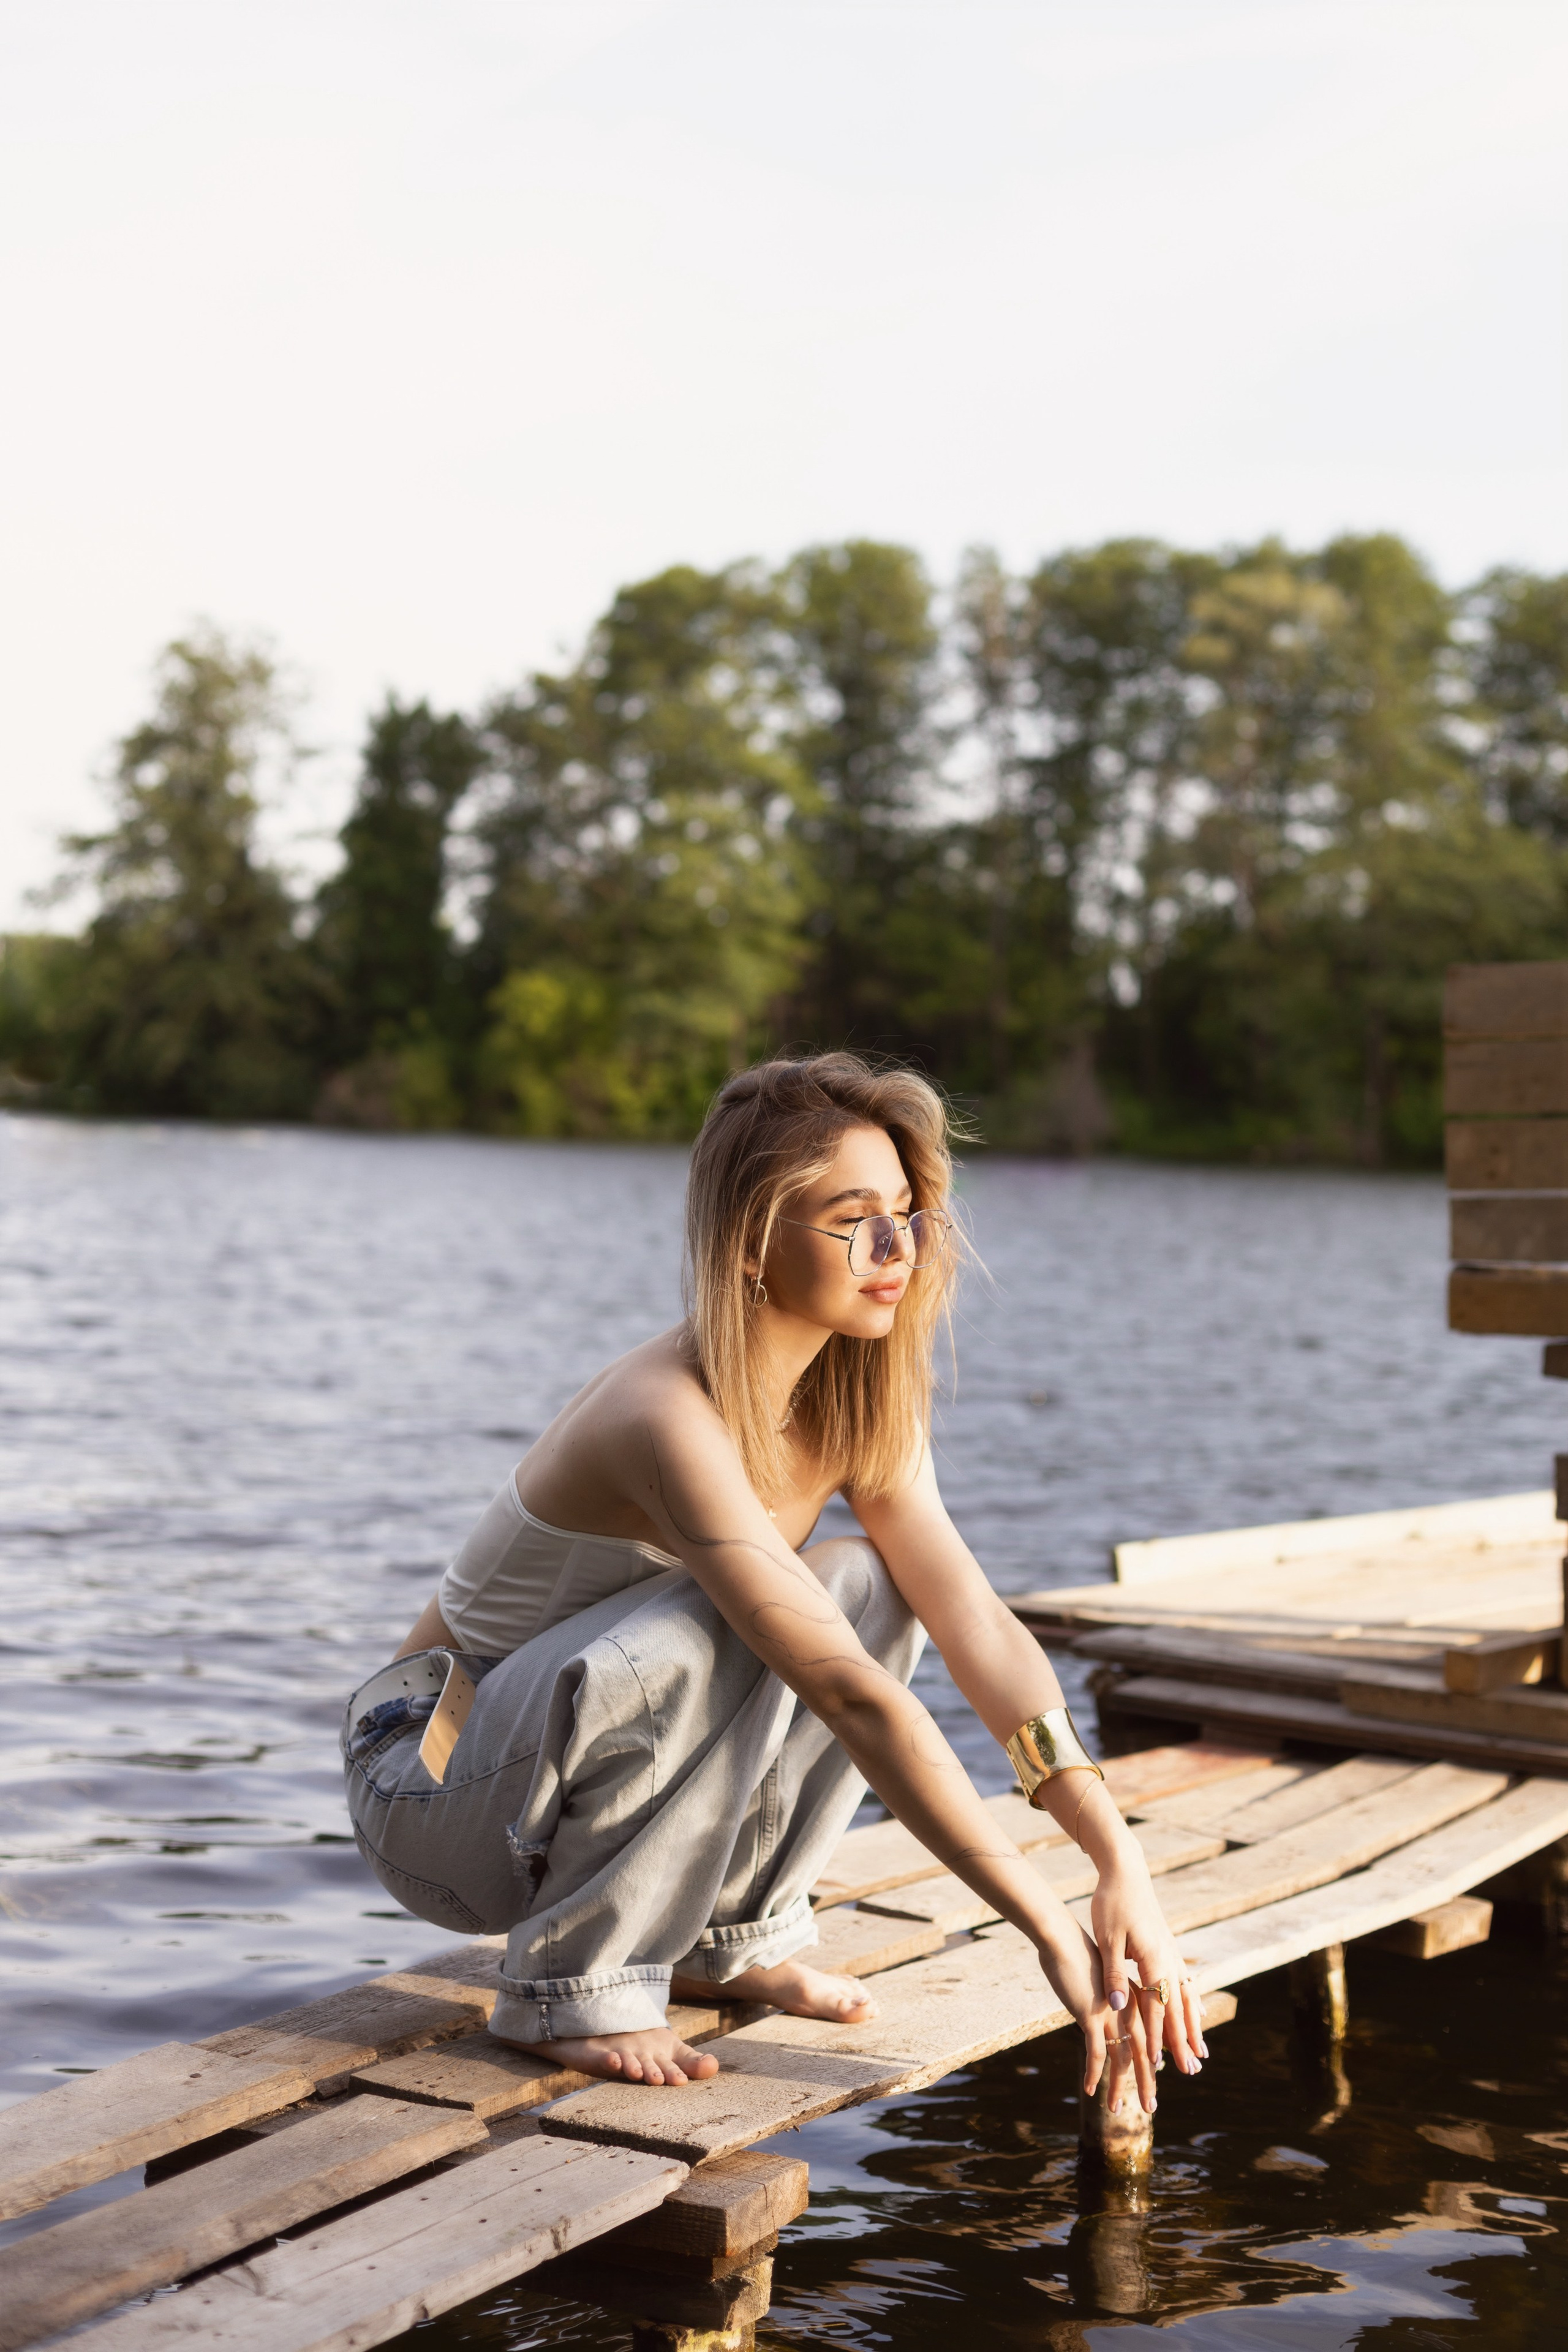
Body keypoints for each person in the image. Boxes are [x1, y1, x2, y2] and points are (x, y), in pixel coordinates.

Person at [342, 1052, 1203, 2111]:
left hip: (536, 1766)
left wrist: (1119, 1862)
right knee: (738, 1619)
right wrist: (1047, 1923)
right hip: (428, 1782)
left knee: (865, 1587)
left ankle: (722, 1935)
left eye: (908, 1214)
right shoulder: (665, 1416)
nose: (896, 1249)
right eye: (855, 1220)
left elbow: (972, 1620)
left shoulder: (858, 1395)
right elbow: (848, 1694)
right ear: (753, 1242)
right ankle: (569, 1986)